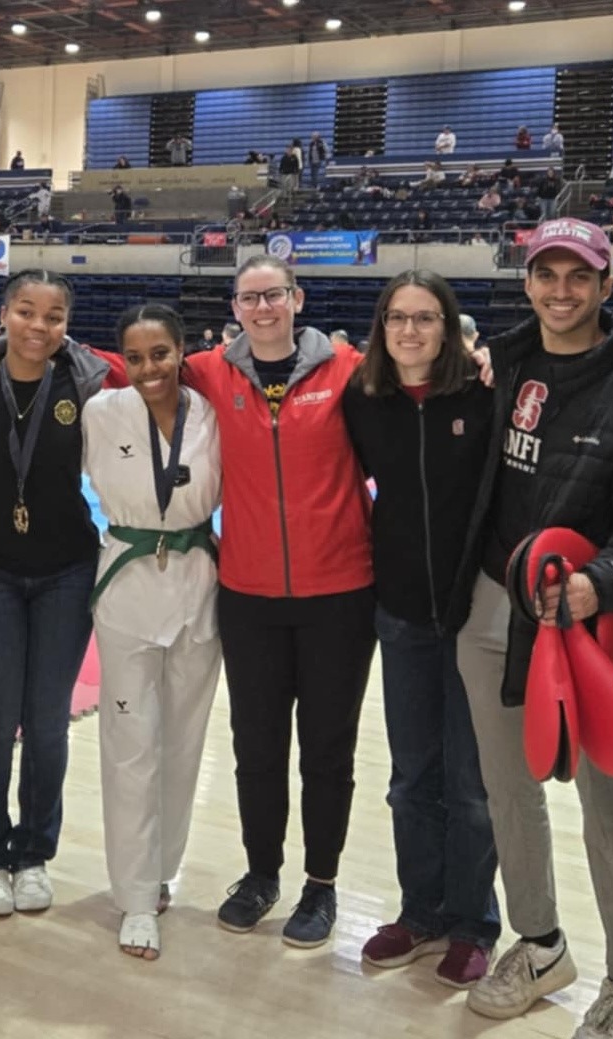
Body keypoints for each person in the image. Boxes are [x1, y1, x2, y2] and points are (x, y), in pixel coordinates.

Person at [452, 219, 613, 1039]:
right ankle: (541, 942)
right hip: (489, 605)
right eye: (545, 274)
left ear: (604, 286)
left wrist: (599, 584)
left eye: (576, 277)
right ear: (528, 283)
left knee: (607, 801)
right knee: (508, 787)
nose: (560, 290)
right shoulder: (504, 363)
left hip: (583, 624)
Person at [182, 255, 372, 948]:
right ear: (234, 307)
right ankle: (262, 873)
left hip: (341, 594)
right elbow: (128, 364)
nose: (263, 308)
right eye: (249, 297)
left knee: (327, 749)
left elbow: (426, 380)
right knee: (255, 747)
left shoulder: (349, 368)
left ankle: (320, 885)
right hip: (249, 595)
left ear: (298, 299)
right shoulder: (208, 371)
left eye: (274, 295)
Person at [0, 270, 123, 918]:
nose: (39, 327)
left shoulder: (92, 383)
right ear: (2, 314)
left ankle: (35, 853)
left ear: (68, 323)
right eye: (27, 312)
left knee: (45, 724)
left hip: (68, 572)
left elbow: (167, 375)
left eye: (54, 315)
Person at [341, 272, 501, 988]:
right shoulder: (363, 399)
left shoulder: (483, 395)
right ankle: (421, 911)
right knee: (411, 778)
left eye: (426, 318)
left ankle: (473, 921)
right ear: (382, 327)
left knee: (471, 782)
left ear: (449, 327)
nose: (411, 331)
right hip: (401, 611)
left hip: (476, 611)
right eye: (398, 318)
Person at [83, 303, 222, 960]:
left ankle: (163, 871)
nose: (148, 369)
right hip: (128, 586)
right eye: (135, 357)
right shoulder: (100, 414)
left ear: (182, 351)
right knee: (130, 741)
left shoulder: (213, 415)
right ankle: (134, 894)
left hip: (198, 580)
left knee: (184, 739)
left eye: (160, 354)